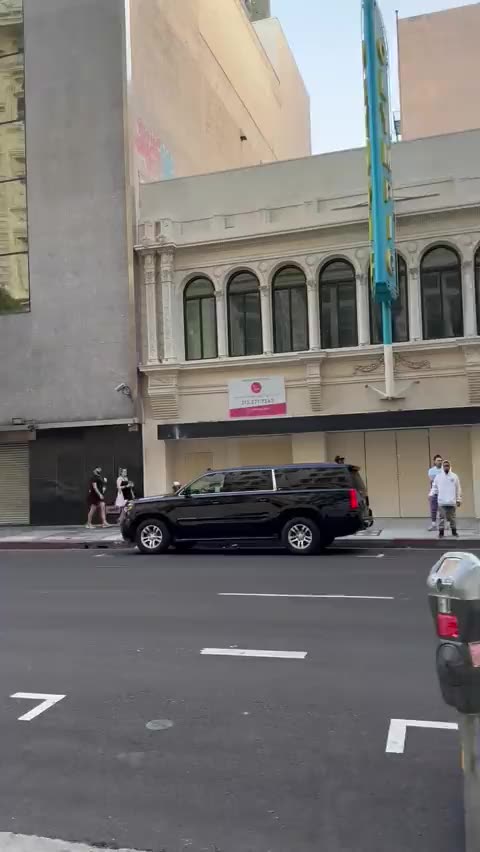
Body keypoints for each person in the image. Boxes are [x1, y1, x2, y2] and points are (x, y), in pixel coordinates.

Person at [431, 459, 462, 539]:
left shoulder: (454, 476)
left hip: (452, 502)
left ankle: (454, 532)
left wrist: (458, 499)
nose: (446, 467)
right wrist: (431, 494)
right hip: (442, 502)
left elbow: (458, 488)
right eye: (445, 466)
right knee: (441, 518)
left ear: (450, 466)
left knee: (452, 518)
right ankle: (441, 533)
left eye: (447, 465)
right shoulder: (438, 477)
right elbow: (434, 487)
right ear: (442, 467)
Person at [427, 454, 443, 530]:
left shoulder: (445, 469)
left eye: (441, 460)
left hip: (443, 492)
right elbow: (433, 481)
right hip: (434, 492)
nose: (440, 462)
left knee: (442, 509)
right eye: (438, 460)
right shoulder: (431, 470)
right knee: (433, 509)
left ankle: (442, 525)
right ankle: (433, 525)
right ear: (434, 462)